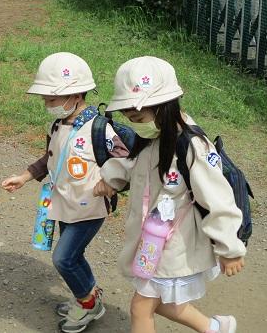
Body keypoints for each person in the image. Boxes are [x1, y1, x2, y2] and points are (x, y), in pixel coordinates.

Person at [92, 56, 246, 333]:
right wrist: (111, 177)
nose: (133, 123)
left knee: (140, 307)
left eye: (137, 117)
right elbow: (136, 164)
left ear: (163, 106)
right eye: (128, 117)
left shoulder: (191, 144)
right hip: (154, 243)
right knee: (163, 303)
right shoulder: (155, 136)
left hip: (176, 244)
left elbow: (218, 199)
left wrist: (230, 249)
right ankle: (216, 328)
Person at [1, 52, 129, 333]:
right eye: (45, 100)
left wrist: (113, 182)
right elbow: (50, 158)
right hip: (63, 203)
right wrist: (24, 177)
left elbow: (127, 161)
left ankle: (88, 305)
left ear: (76, 94)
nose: (47, 105)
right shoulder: (57, 124)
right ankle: (88, 295)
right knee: (74, 255)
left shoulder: (99, 128)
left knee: (63, 258)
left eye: (52, 100)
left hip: (90, 209)